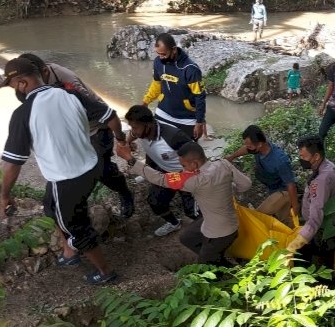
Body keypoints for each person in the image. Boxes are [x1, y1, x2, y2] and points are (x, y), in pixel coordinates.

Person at [0, 53, 135, 218]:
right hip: (69, 130)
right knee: (70, 175)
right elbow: (1, 79)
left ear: (43, 72)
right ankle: (75, 212)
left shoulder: (66, 79)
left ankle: (124, 194)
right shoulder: (28, 76)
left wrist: (119, 138)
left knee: (102, 170)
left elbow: (96, 107)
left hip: (95, 128)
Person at [0, 58, 117, 285]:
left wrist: (4, 195)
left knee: (75, 225)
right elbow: (109, 116)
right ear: (42, 72)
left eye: (14, 86)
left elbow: (13, 164)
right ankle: (70, 251)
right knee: (50, 206)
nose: (16, 91)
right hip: (91, 166)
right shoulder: (70, 93)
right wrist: (120, 138)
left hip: (67, 178)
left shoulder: (22, 114)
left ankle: (104, 272)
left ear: (22, 83)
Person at [116, 141, 252, 265]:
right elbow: (246, 184)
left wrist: (131, 159)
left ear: (195, 164)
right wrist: (227, 190)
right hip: (223, 220)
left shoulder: (194, 180)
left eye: (184, 166)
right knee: (187, 238)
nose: (182, 169)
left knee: (206, 264)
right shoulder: (223, 164)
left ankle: (225, 268)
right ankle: (216, 257)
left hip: (220, 232)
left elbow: (160, 179)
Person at [124, 105, 200, 237]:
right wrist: (127, 142)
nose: (133, 131)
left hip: (185, 175)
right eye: (131, 127)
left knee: (192, 212)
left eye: (135, 128)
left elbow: (197, 156)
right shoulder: (142, 132)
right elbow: (132, 134)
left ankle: (209, 233)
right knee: (155, 202)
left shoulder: (173, 136)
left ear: (148, 125)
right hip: (164, 171)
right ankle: (174, 223)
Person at [224, 125, 300, 227]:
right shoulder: (258, 148)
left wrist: (295, 206)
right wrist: (231, 157)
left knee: (258, 215)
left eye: (249, 145)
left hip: (284, 191)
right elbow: (245, 149)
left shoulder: (280, 160)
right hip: (273, 188)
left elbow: (291, 185)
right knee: (284, 216)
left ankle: (299, 235)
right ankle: (291, 231)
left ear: (259, 144)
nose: (247, 147)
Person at [286, 136, 335, 268]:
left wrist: (298, 242)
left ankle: (321, 285)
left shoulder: (321, 180)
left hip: (321, 231)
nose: (301, 160)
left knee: (320, 267)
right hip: (328, 226)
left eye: (303, 156)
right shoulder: (328, 166)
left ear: (316, 156)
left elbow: (316, 216)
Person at [142, 33, 207, 140]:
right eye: (158, 54)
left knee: (187, 151)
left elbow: (200, 96)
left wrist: (199, 122)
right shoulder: (158, 62)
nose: (161, 57)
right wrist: (145, 102)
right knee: (156, 145)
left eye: (163, 54)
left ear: (174, 50)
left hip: (187, 118)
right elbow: (156, 84)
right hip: (163, 112)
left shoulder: (190, 69)